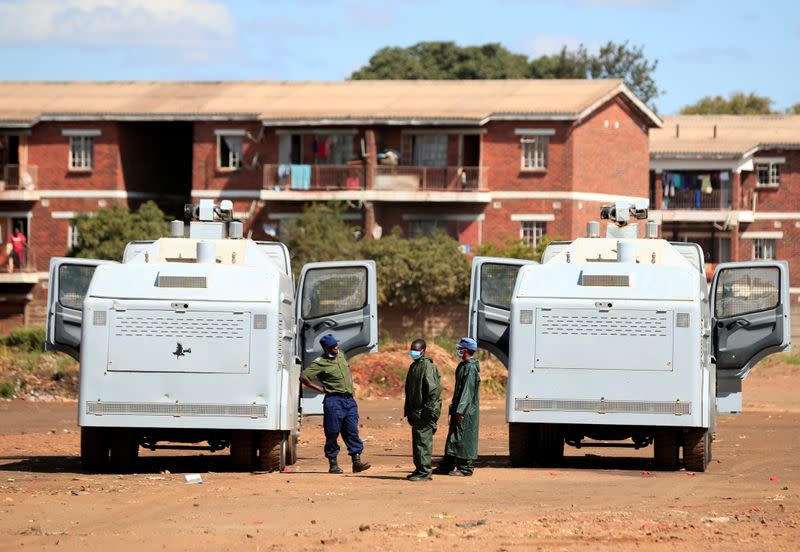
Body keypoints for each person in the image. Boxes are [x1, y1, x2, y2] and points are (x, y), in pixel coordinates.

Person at [299, 333, 371, 474]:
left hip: (349, 400)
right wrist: (320, 389)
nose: (336, 347)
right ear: (326, 348)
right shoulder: (320, 362)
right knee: (332, 433)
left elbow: (346, 371)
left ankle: (356, 462)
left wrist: (350, 386)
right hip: (333, 400)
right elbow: (303, 377)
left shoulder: (342, 354)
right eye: (332, 346)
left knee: (352, 431)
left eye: (336, 344)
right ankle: (333, 464)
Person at [434, 337, 481, 477]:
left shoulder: (471, 368)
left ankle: (466, 468)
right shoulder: (463, 366)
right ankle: (446, 465)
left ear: (465, 350)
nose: (458, 351)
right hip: (459, 408)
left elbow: (467, 391)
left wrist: (460, 409)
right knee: (454, 437)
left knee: (464, 438)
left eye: (460, 348)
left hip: (466, 410)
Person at [403, 338, 441, 482]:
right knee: (417, 442)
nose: (413, 352)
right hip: (415, 412)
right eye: (412, 349)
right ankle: (419, 469)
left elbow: (433, 392)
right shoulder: (414, 366)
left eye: (416, 349)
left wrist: (428, 412)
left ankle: (425, 472)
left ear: (423, 351)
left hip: (424, 412)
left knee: (423, 443)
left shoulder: (427, 367)